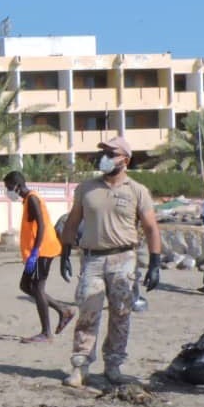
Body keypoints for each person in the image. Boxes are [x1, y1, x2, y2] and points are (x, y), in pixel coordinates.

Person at [58, 136, 162, 388]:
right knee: (88, 312)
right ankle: (81, 366)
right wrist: (64, 253)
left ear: (125, 160)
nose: (104, 158)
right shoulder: (86, 188)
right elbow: (72, 222)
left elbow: (151, 228)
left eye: (111, 153)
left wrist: (155, 263)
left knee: (121, 313)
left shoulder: (137, 191)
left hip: (124, 259)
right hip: (92, 259)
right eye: (103, 152)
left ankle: (113, 365)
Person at [3, 172, 75, 343]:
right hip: (36, 252)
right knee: (25, 286)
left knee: (37, 288)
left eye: (8, 187)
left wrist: (35, 252)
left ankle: (46, 333)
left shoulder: (33, 199)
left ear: (17, 186)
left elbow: (42, 226)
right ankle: (63, 310)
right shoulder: (27, 200)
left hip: (42, 251)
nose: (7, 191)